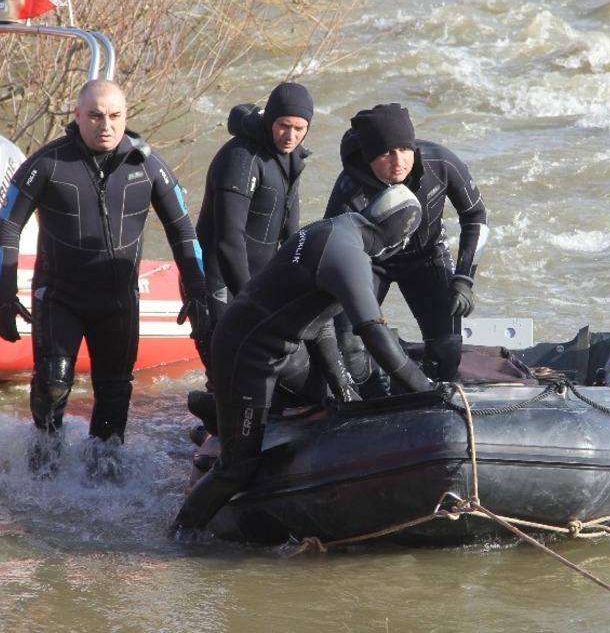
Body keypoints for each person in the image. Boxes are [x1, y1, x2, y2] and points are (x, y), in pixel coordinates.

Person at [174, 184, 438, 532]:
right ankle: (180, 535)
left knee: (333, 403)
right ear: (398, 236)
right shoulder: (349, 254)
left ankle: (215, 408)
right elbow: (373, 332)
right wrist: (427, 390)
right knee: (238, 467)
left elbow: (320, 319)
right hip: (247, 353)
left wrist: (341, 382)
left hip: (281, 344)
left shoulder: (338, 230)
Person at [0, 79, 210, 459]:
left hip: (118, 301)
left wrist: (197, 291)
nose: (104, 125)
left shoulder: (148, 165)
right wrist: (3, 294)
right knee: (53, 383)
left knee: (115, 391)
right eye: (94, 116)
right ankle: (45, 462)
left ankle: (103, 472)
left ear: (126, 117)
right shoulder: (48, 163)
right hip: (60, 297)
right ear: (77, 116)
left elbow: (182, 230)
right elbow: (8, 224)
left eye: (114, 116)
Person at [324, 103, 488, 387]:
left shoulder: (442, 163)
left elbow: (475, 216)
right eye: (386, 152)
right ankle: (372, 402)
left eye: (404, 149)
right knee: (350, 349)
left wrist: (464, 280)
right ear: (369, 156)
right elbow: (332, 252)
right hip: (371, 264)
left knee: (448, 350)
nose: (398, 160)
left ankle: (433, 395)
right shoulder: (350, 187)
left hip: (427, 258)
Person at [195, 81, 315, 308]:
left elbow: (291, 236)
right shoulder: (241, 159)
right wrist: (249, 299)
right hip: (219, 281)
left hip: (260, 281)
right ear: (270, 120)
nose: (290, 136)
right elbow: (228, 239)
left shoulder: (291, 159)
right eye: (284, 125)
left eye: (299, 129)